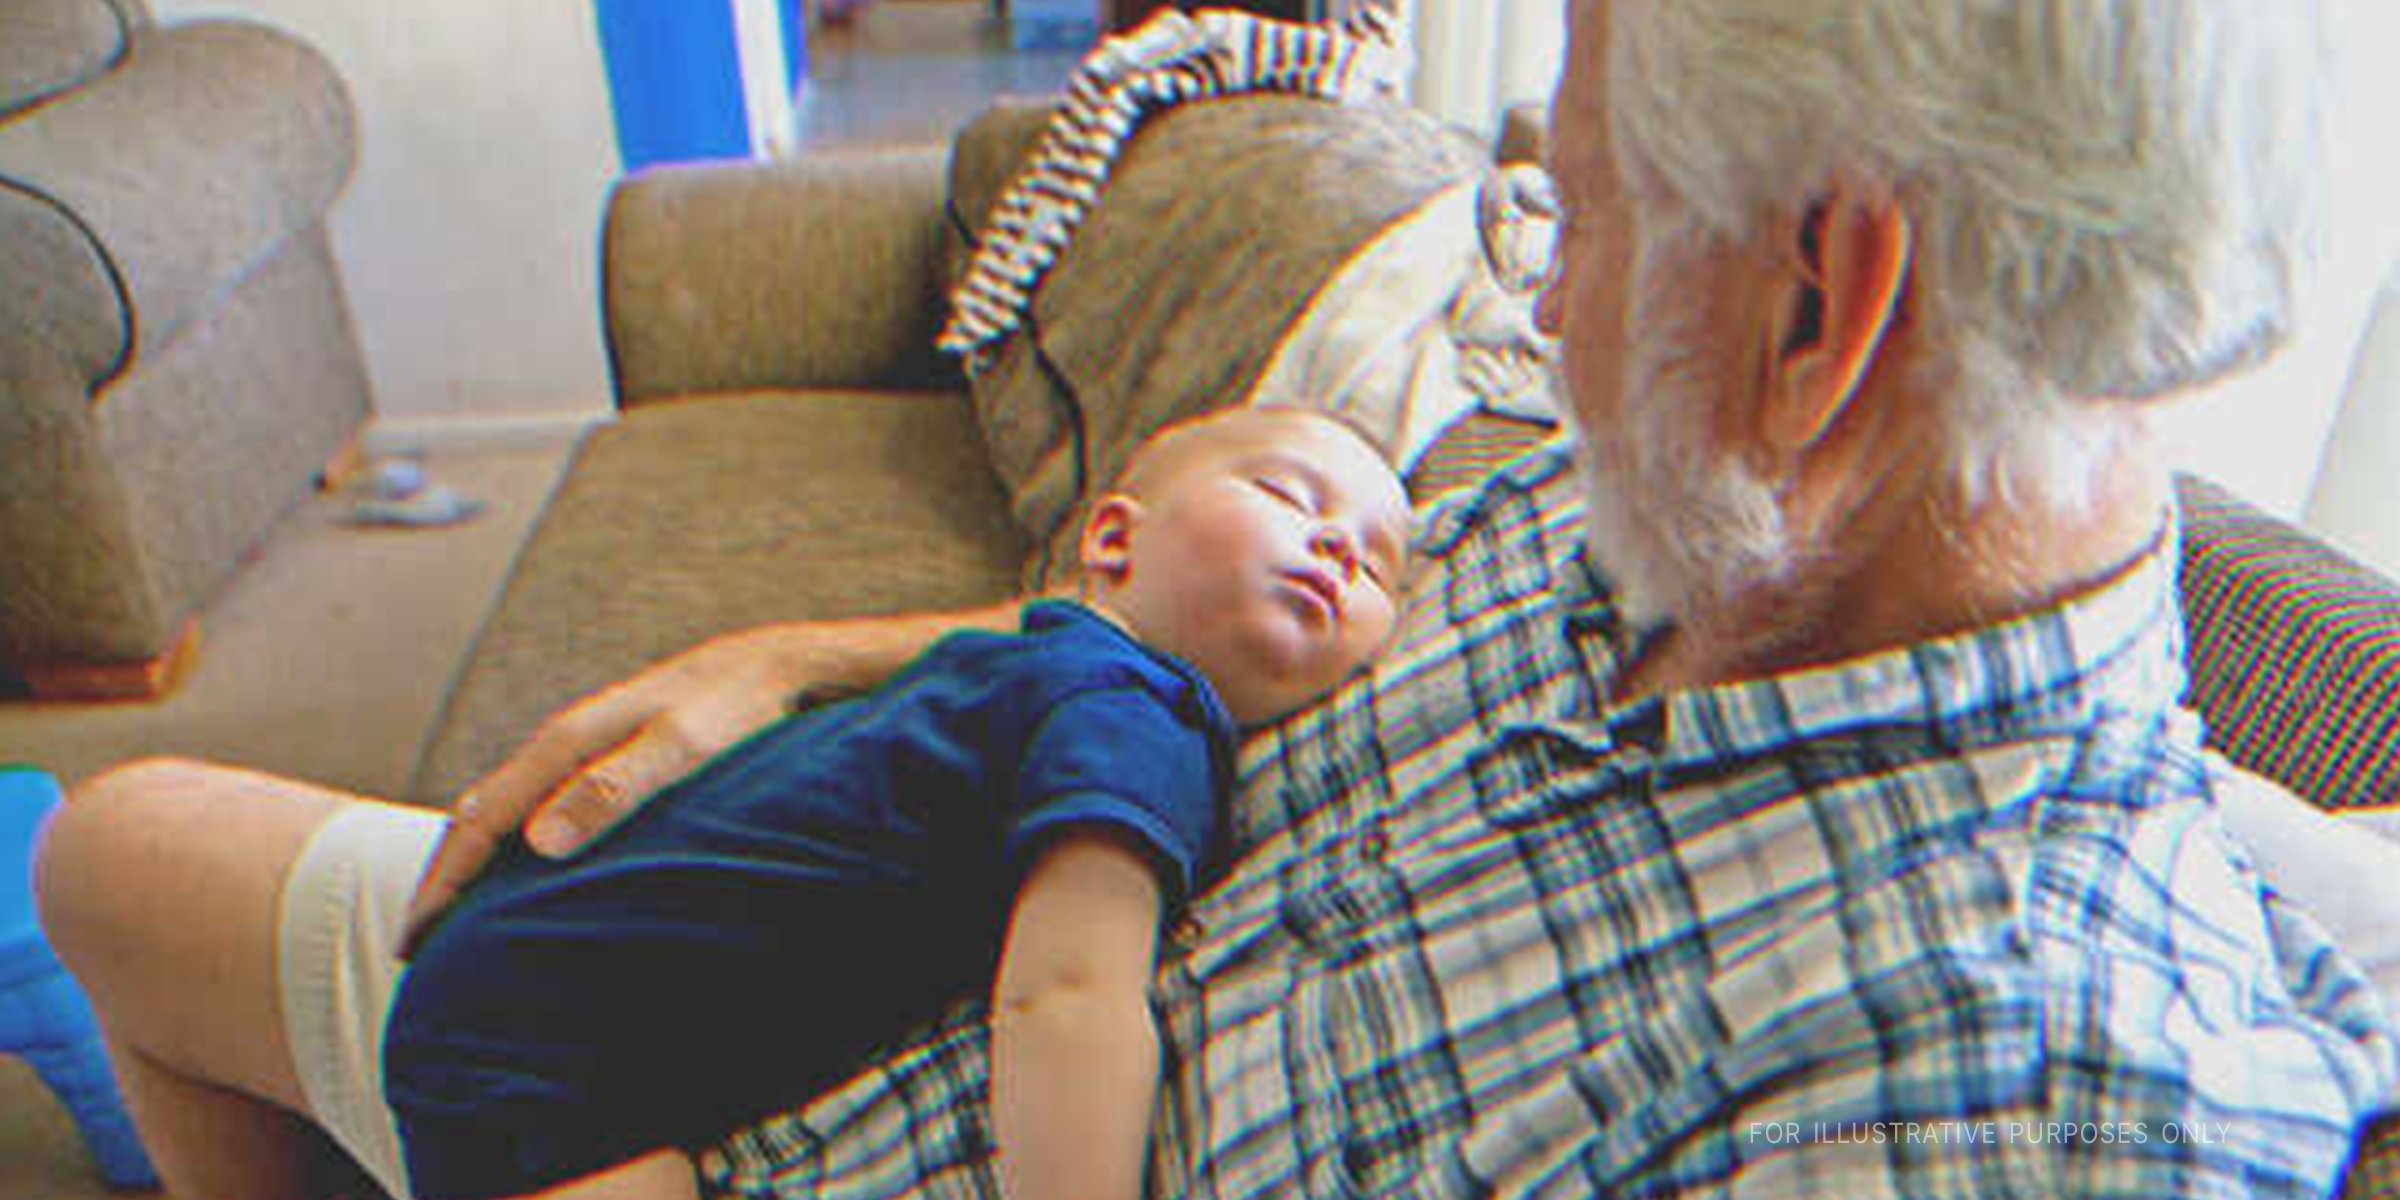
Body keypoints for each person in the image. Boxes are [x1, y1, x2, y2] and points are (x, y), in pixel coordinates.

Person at [39, 1, 2400, 1198]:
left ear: (1827, 312)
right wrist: (819, 657)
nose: (1536, 311)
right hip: (793, 995)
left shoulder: (2003, 1096)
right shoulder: (1701, 532)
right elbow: (1178, 663)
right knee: (110, 857)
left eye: (1562, 214)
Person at [36, 405, 1410, 1200]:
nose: (1341, 548)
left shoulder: (1030, 666)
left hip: (513, 970)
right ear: (1111, 538)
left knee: (103, 858)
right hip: (564, 1083)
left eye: (1382, 560)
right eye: (1293, 499)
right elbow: (1067, 1001)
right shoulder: (1135, 715)